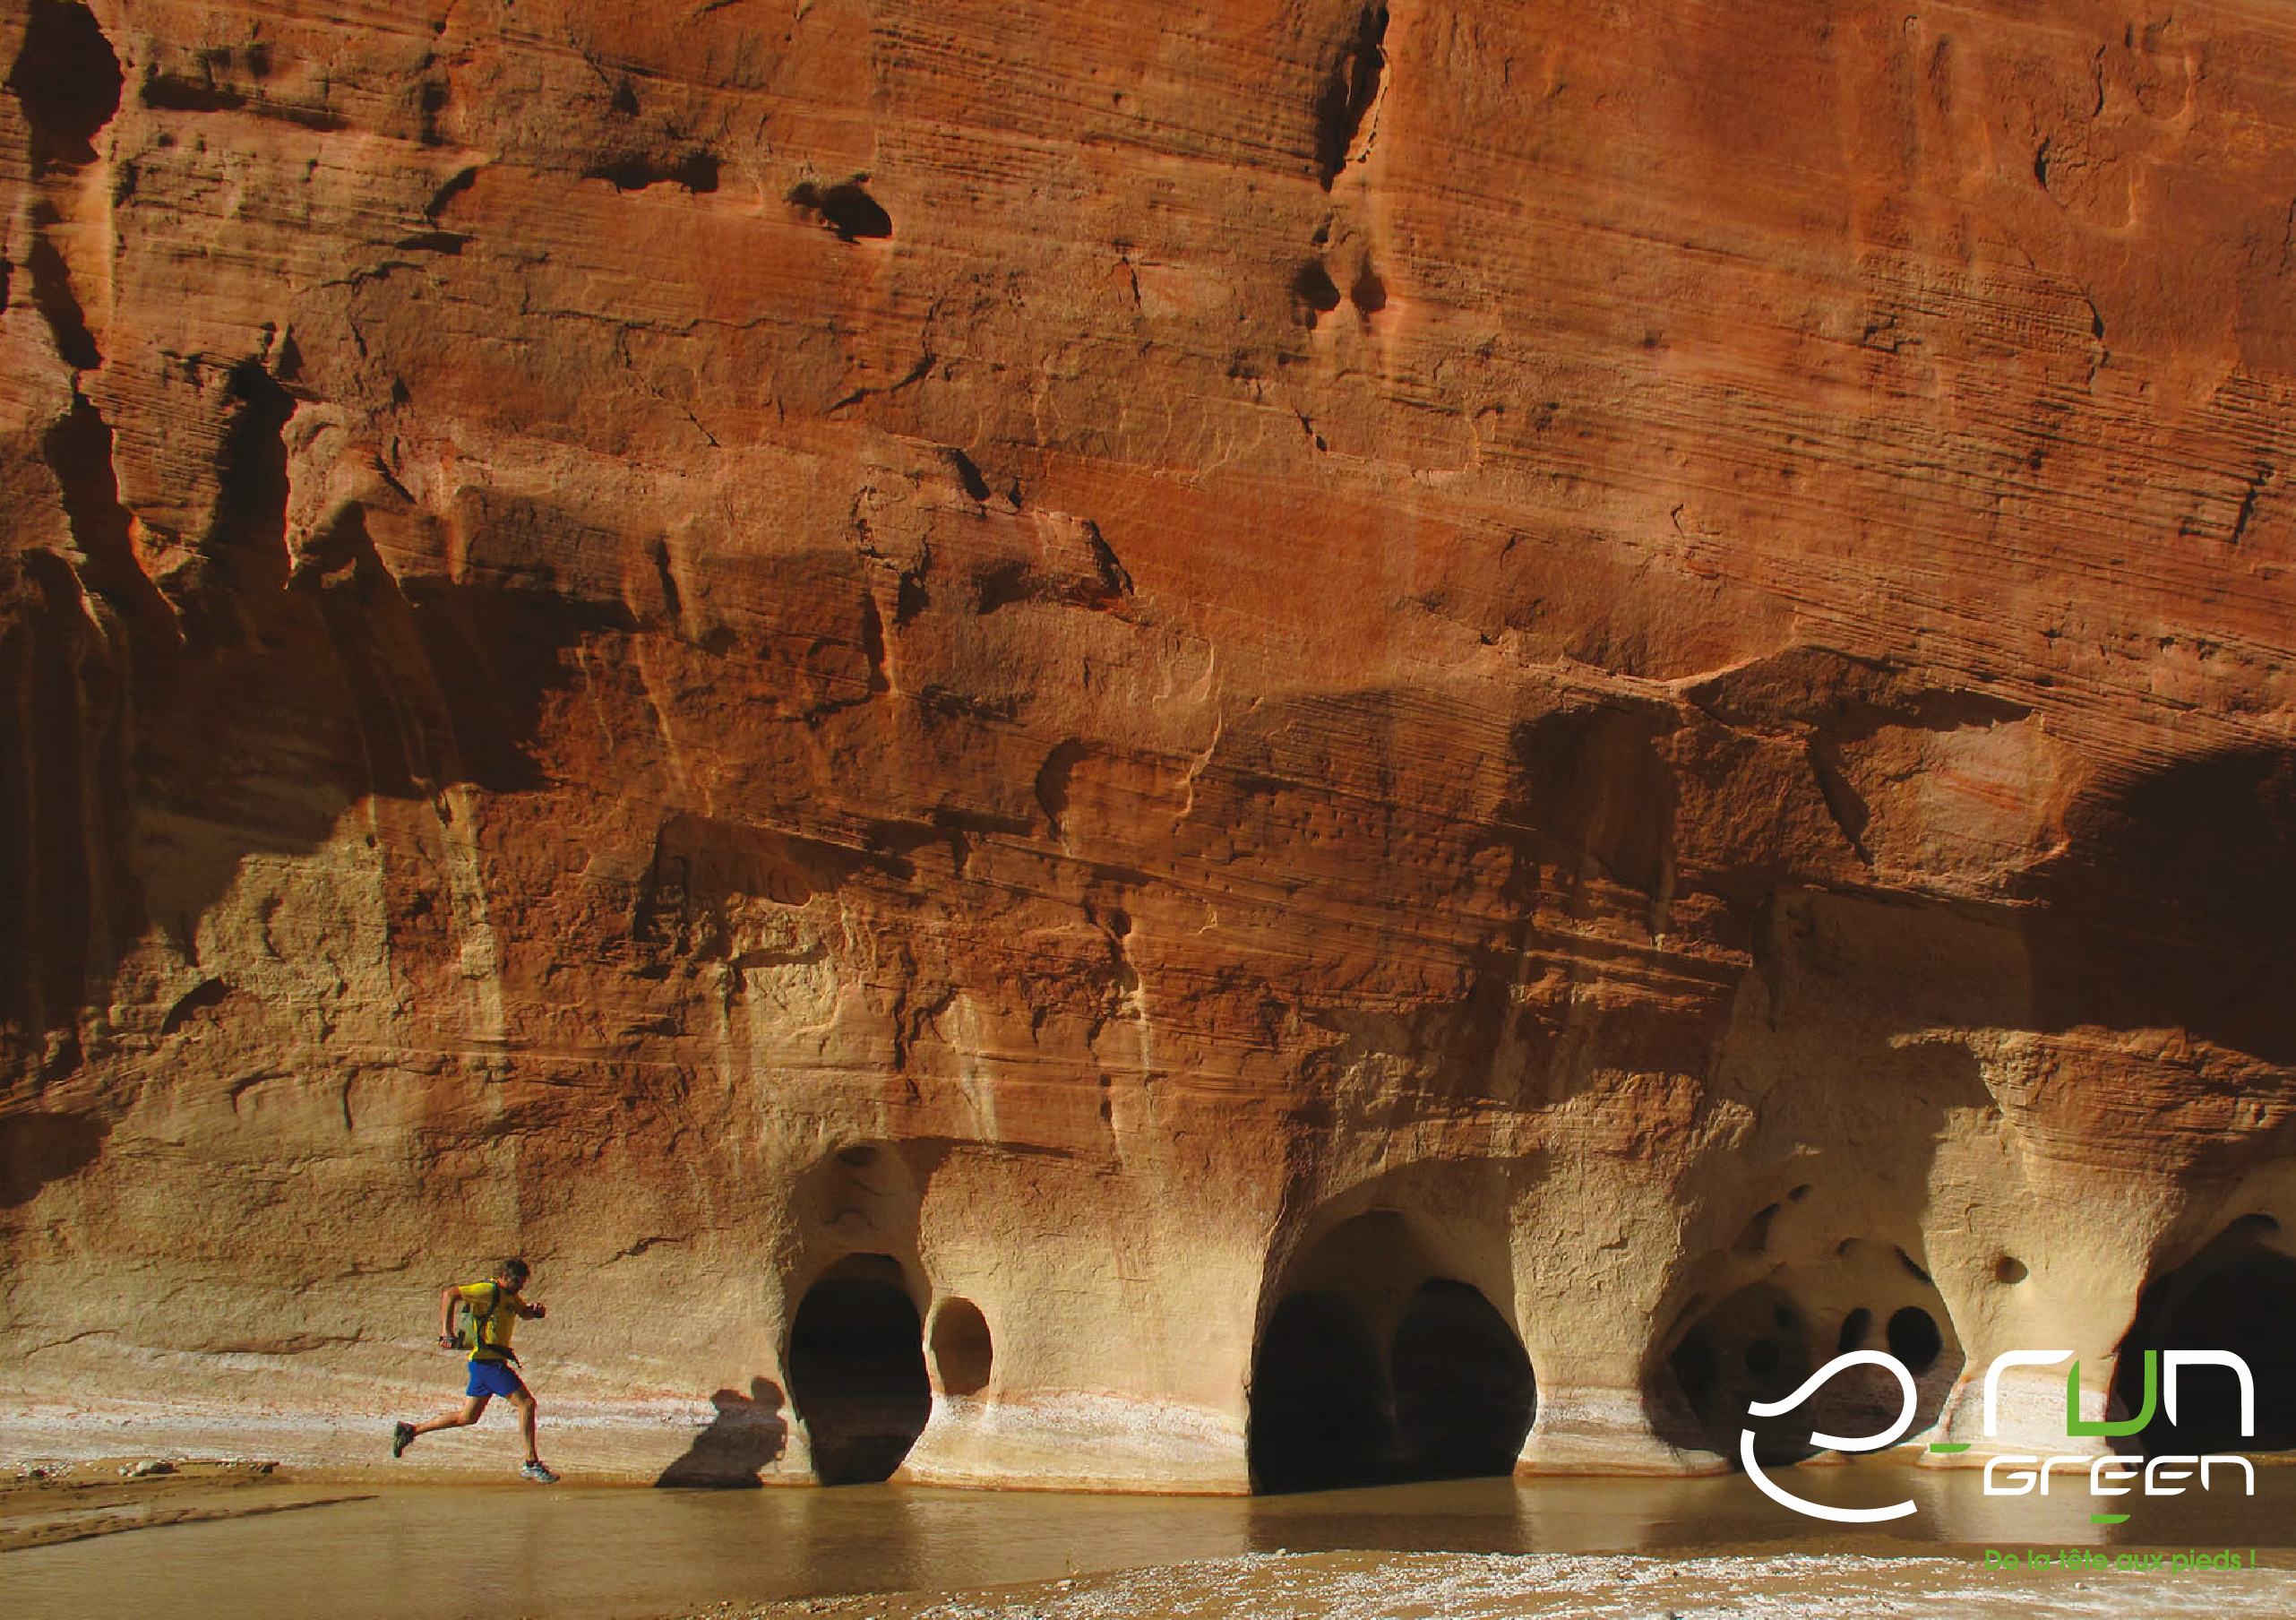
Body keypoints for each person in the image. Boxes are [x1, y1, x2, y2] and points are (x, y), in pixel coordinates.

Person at [391, 1256, 559, 1482]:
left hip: (485, 1364)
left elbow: (523, 1313)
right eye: (519, 1281)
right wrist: (446, 1332)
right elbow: (450, 1294)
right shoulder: (488, 1290)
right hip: (487, 1362)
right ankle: (531, 1463)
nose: (522, 1286)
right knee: (527, 1404)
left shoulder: (510, 1295)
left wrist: (534, 1312)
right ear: (506, 1277)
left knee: (467, 1417)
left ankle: (410, 1431)